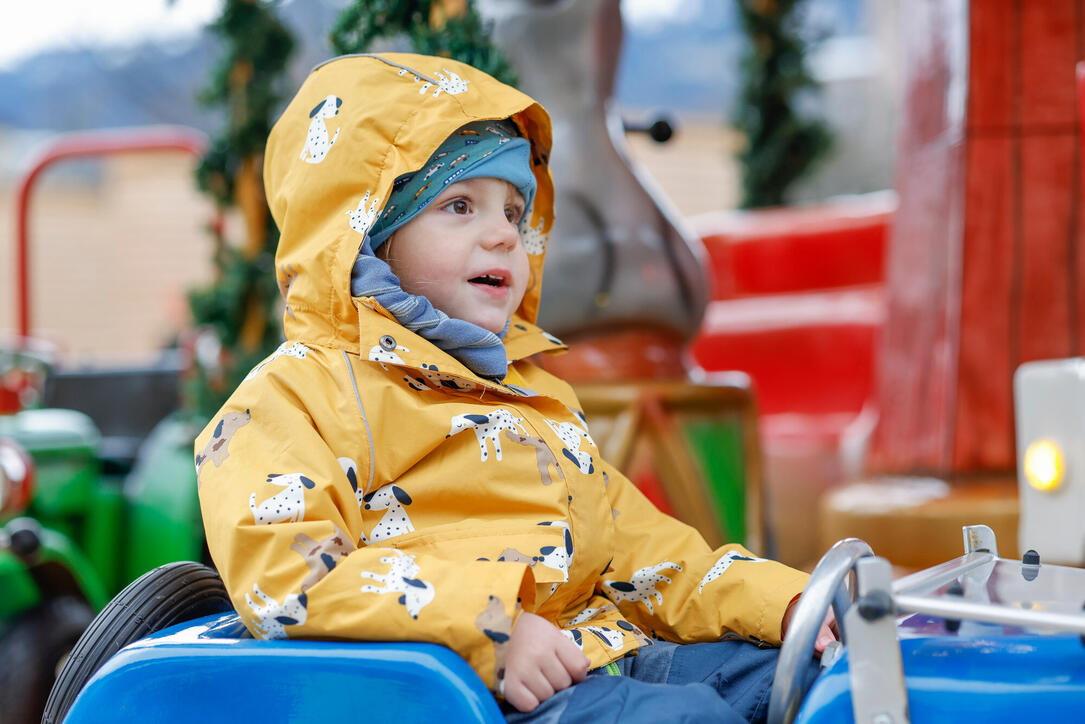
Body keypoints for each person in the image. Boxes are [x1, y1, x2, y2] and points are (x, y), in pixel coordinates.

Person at [195, 53, 832, 723]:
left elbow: (647, 555)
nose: (502, 234)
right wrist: (489, 624)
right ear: (366, 235)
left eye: (513, 209)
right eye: (459, 205)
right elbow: (293, 579)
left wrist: (786, 604)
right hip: (464, 692)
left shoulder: (532, 399)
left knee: (803, 681)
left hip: (594, 655)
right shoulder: (295, 399)